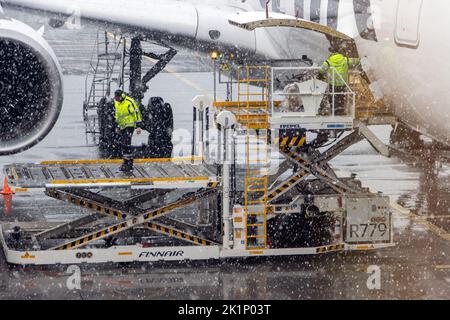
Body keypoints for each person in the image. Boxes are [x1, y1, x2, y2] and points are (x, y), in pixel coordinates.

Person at [114, 89, 142, 172]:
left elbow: (136, 113)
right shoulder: (117, 103)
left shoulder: (129, 102)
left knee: (125, 143)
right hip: (123, 126)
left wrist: (138, 126)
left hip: (130, 125)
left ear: (121, 96)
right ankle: (126, 162)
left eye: (117, 97)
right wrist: (118, 126)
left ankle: (129, 164)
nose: (115, 99)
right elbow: (118, 115)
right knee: (124, 145)